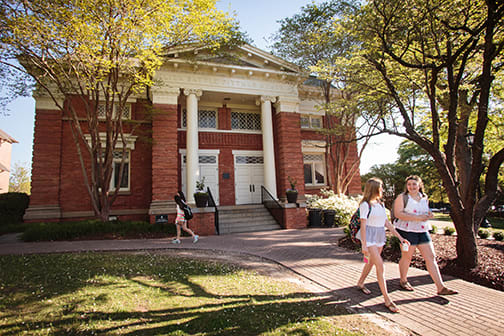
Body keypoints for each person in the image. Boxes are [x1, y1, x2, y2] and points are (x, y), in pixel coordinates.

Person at [393, 175, 457, 295]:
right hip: (407, 231)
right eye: (409, 184)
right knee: (407, 257)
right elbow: (398, 214)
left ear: (419, 185)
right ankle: (403, 280)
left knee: (431, 257)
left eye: (414, 184)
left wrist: (429, 215)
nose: (411, 187)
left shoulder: (424, 197)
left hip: (422, 231)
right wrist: (417, 217)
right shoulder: (402, 197)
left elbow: (425, 211)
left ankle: (440, 287)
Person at [356, 177, 410, 313]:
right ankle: (387, 299)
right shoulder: (364, 205)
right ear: (375, 189)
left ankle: (360, 282)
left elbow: (387, 223)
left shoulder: (380, 204)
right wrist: (364, 244)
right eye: (381, 187)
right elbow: (363, 226)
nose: (382, 189)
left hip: (379, 236)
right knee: (380, 265)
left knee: (371, 262)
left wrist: (400, 238)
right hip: (369, 238)